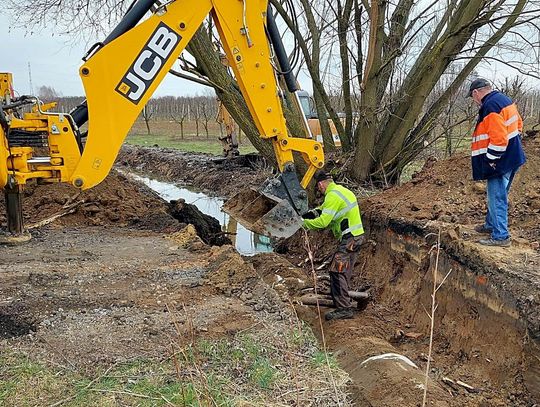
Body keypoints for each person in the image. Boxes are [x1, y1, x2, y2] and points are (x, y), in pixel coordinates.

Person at [468, 78, 526, 247]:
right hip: (512, 156)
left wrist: (491, 159)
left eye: (473, 97)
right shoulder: (504, 100)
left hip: (500, 160)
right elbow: (519, 124)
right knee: (498, 195)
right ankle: (491, 225)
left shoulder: (490, 106)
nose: (474, 101)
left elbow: (499, 139)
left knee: (497, 197)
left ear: (476, 93)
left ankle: (501, 236)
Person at [302, 170, 364, 320]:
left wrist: (302, 223)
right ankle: (343, 301)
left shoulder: (332, 196)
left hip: (351, 238)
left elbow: (323, 221)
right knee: (343, 271)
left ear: (321, 184)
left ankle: (344, 309)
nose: (318, 190)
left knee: (337, 271)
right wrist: (306, 214)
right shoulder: (340, 191)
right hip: (355, 237)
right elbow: (322, 211)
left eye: (318, 187)